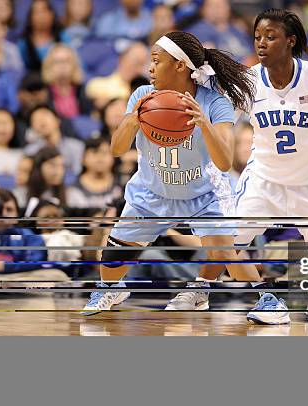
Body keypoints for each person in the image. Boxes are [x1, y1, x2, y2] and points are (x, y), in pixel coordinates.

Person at [178, 9, 308, 324]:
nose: (261, 43)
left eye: (271, 36)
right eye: (257, 37)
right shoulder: (249, 81)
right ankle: (200, 290)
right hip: (264, 181)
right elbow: (222, 121)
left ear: (290, 41)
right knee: (227, 240)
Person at [81, 30, 262, 315]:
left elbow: (225, 162)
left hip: (202, 193)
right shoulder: (143, 95)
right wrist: (132, 120)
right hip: (152, 191)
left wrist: (204, 124)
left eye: (156, 61)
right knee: (113, 257)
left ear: (180, 65)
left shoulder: (215, 103)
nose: (149, 68)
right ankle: (110, 291)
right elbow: (116, 149)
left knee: (226, 254)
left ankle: (268, 301)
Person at [85, 42, 150, 110]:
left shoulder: (145, 90)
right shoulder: (99, 84)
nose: (139, 70)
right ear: (122, 59)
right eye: (136, 63)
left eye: (143, 65)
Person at [24, 104, 84, 177]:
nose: (41, 122)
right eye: (35, 120)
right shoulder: (30, 151)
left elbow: (79, 172)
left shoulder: (76, 146)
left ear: (57, 120)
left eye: (44, 116)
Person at [66, 137, 123, 208]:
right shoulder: (72, 190)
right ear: (83, 158)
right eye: (94, 152)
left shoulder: (123, 187)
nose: (100, 157)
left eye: (105, 153)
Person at [41, 43, 92, 119]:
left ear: (74, 65)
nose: (62, 66)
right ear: (49, 65)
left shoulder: (83, 90)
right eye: (57, 61)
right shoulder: (43, 92)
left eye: (67, 61)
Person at [18, 0, 68, 73]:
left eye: (44, 11)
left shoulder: (63, 38)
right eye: (36, 12)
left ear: (52, 15)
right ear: (30, 17)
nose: (41, 16)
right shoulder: (23, 44)